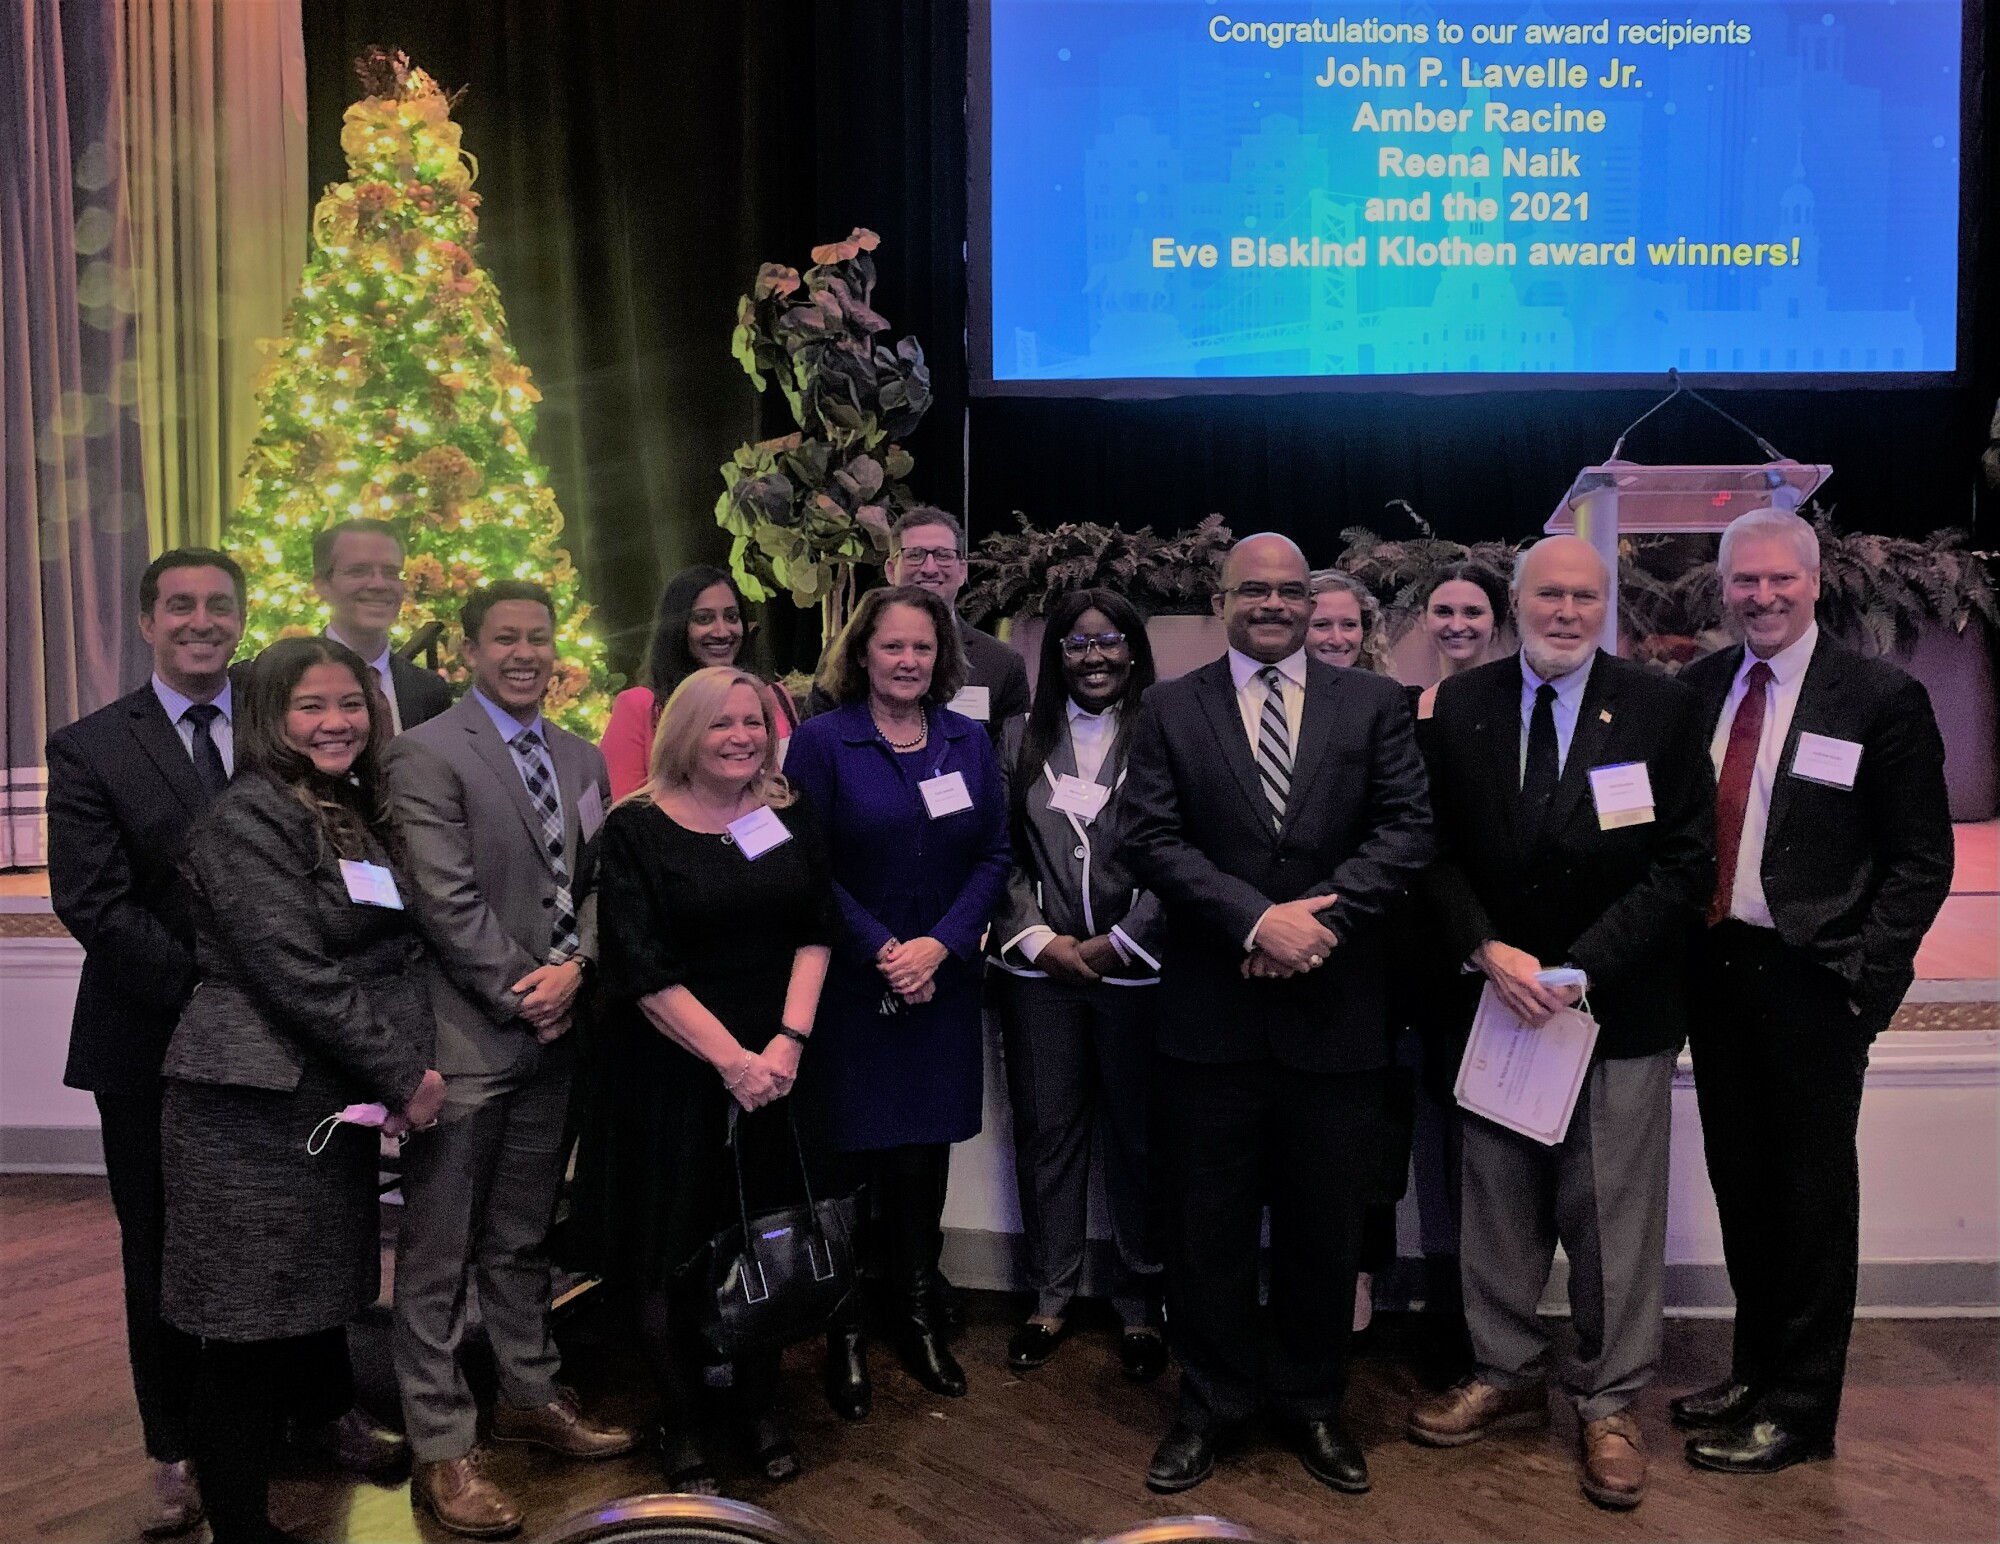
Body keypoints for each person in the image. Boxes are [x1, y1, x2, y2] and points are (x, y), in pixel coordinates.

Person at [1405, 535, 1715, 1511]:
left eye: (1584, 595)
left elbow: (1681, 864)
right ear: (1516, 598)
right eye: (1549, 593)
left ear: (1604, 603)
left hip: (1611, 1004)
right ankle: (1501, 1372)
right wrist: (1486, 951)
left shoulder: (1662, 706)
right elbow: (1433, 850)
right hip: (1493, 1000)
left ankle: (1607, 1399)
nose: (1566, 611)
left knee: (1610, 1217)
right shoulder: (1461, 704)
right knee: (1495, 1203)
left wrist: (1580, 966)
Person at [1121, 533, 1433, 1498]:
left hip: (1336, 1020)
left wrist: (1310, 926)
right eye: (1252, 589)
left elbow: (1407, 830)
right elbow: (1148, 837)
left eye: (1289, 591)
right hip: (1210, 1022)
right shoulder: (1170, 707)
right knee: (1205, 1229)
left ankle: (1312, 1403)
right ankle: (1208, 1404)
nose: (1271, 604)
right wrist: (1255, 918)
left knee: (1323, 1230)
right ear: (1222, 600)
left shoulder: (1376, 705)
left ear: (1315, 603)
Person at [1675, 509, 1952, 1474]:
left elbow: (1920, 860)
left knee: (1811, 1200)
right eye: (1744, 580)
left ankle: (1801, 1408)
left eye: (1779, 579)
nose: (1761, 595)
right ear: (1724, 586)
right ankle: (1754, 1371)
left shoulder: (1879, 696)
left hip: (1816, 980)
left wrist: (1866, 984)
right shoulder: (1702, 687)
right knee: (1742, 1186)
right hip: (1716, 974)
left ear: (1815, 580)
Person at [158, 638, 447, 1544]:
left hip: (317, 1100)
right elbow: (293, 972)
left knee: (290, 1320)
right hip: (249, 1108)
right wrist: (406, 1074)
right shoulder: (247, 820)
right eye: (312, 706)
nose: (337, 722)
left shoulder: (345, 807)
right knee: (241, 1337)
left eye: (350, 703)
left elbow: (382, 954)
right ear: (268, 719)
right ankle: (242, 1530)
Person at [384, 581, 635, 1538]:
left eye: (538, 637)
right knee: (439, 1253)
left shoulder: (578, 754)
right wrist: (527, 991)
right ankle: (444, 1448)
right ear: (468, 648)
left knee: (524, 1236)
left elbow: (604, 878)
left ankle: (531, 1396)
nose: (524, 653)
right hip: (470, 1039)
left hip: (556, 1035)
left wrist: (577, 970)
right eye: (505, 639)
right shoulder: (425, 753)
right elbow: (442, 900)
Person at [577, 666, 836, 1493]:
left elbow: (817, 929)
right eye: (721, 724)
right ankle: (682, 1419)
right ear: (685, 732)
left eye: (754, 722)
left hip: (777, 1069)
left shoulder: (785, 813)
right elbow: (640, 968)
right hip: (672, 1072)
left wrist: (787, 1043)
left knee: (766, 1233)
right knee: (669, 1249)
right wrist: (731, 1062)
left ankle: (760, 1407)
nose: (741, 738)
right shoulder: (636, 828)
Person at [784, 585, 1011, 1417]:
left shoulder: (967, 740)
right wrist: (881, 947)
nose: (909, 661)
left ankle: (917, 1315)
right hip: (848, 989)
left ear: (940, 657)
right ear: (862, 654)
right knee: (846, 1164)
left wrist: (939, 945)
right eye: (893, 648)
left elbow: (994, 852)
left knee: (922, 1161)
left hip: (940, 987)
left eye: (922, 648)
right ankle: (845, 1329)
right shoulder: (819, 742)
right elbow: (807, 863)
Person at [989, 588, 1167, 1381]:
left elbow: (1183, 847)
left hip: (1138, 968)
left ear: (1132, 648)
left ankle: (1141, 1305)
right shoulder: (1019, 735)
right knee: (1049, 1134)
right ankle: (1050, 1295)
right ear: (1054, 655)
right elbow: (999, 851)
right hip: (1040, 973)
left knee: (1139, 1140)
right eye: (1075, 643)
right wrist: (1040, 938)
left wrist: (1124, 939)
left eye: (1109, 641)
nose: (1093, 657)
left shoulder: (1169, 727)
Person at [804, 507, 1029, 738]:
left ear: (962, 571)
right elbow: (816, 743)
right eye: (915, 555)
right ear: (891, 570)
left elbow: (1010, 764)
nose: (930, 568)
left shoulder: (1002, 665)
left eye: (943, 555)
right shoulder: (846, 652)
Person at [600, 565, 801, 801]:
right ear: (677, 628)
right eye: (704, 619)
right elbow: (626, 812)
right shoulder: (640, 706)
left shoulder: (774, 697)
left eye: (731, 617)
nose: (722, 631)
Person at [312, 518, 453, 732]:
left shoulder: (430, 690)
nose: (379, 584)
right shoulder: (289, 682)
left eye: (391, 572)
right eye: (358, 571)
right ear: (322, 585)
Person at [1305, 569, 1393, 675]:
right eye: (1321, 625)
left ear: (1365, 631)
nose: (1337, 640)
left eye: (1349, 625)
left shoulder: (1384, 690)